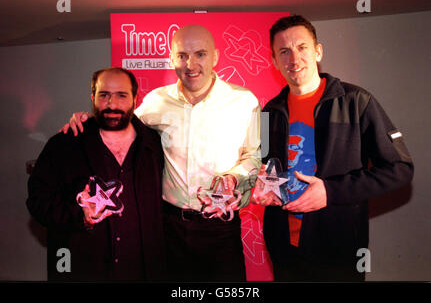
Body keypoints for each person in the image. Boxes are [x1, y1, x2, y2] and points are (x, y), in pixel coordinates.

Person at [60, 25, 262, 281]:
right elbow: (122, 124)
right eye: (182, 55)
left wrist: (234, 178)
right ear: (171, 59)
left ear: (215, 57)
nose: (191, 64)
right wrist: (89, 119)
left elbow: (257, 156)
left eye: (200, 54)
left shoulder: (248, 101)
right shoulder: (156, 101)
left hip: (220, 229)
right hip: (169, 228)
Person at [252, 15, 414, 281]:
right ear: (274, 61)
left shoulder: (356, 102)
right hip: (284, 249)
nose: (294, 58)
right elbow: (266, 166)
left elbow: (400, 169)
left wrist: (330, 191)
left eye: (302, 47)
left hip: (337, 248)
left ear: (318, 51)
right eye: (284, 51)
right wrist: (263, 185)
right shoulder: (269, 112)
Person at [27, 67, 166, 281]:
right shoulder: (64, 144)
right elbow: (38, 202)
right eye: (104, 95)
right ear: (93, 98)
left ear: (135, 99)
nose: (112, 104)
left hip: (143, 272)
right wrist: (79, 214)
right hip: (83, 271)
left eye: (121, 95)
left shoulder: (156, 145)